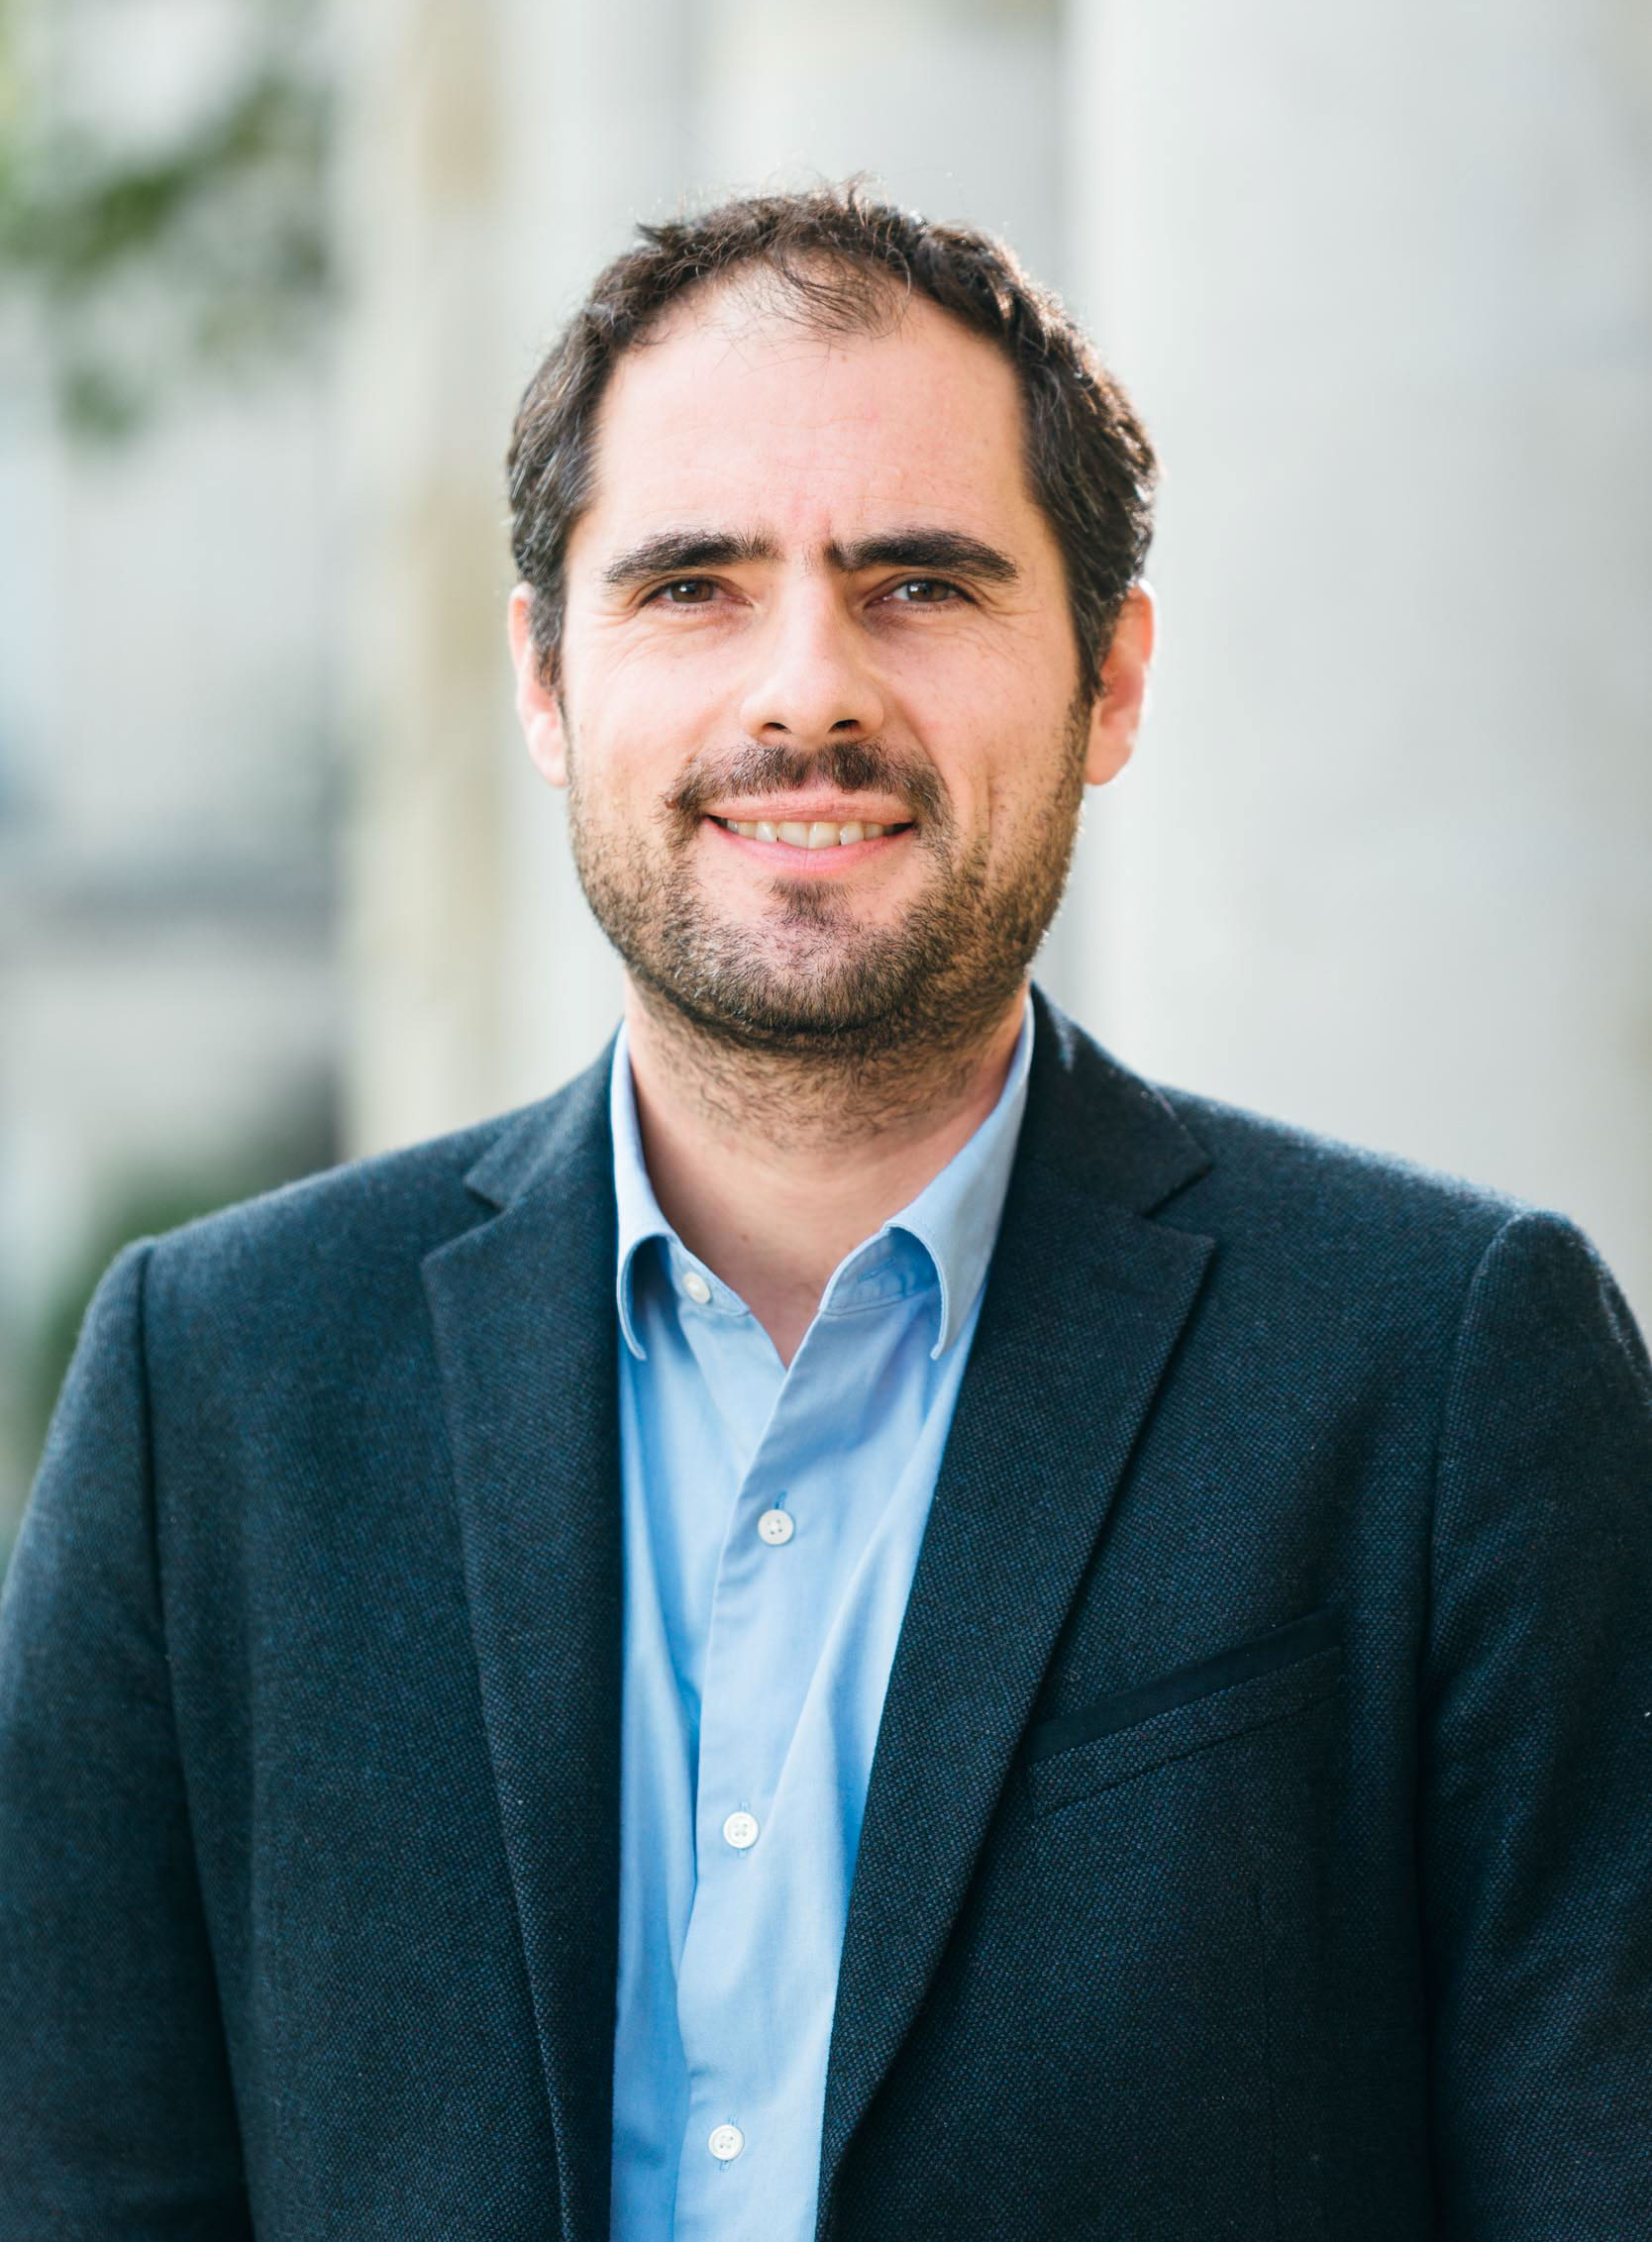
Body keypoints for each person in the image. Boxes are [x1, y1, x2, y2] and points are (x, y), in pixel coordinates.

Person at [1, 187, 1648, 2242]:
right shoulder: (213, 1390)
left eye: (922, 583)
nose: (808, 691)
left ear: (1109, 678)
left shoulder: (1450, 1368)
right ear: (543, 675)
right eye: (692, 582)